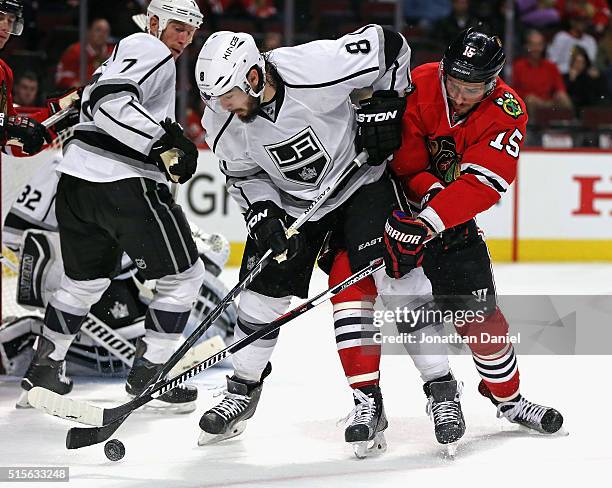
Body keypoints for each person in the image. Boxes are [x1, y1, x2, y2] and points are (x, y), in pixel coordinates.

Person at [195, 27, 464, 456]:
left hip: (361, 183)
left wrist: (387, 102)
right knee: (260, 295)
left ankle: (441, 388)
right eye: (214, 98)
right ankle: (243, 389)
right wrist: (261, 211)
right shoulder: (220, 116)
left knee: (398, 280)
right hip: (292, 204)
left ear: (252, 76)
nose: (220, 107)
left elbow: (390, 46)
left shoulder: (314, 67)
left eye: (227, 95)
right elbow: (243, 174)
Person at [16, 0, 206, 413]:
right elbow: (107, 100)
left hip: (76, 183)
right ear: (154, 22)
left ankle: (44, 370)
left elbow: (87, 100)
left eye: (190, 32)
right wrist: (163, 140)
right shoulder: (149, 48)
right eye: (177, 28)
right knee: (185, 278)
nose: (183, 39)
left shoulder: (122, 54)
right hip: (122, 185)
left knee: (82, 284)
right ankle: (150, 375)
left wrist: (45, 126)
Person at [382, 28, 564, 434]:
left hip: (448, 224)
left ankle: (510, 401)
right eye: (455, 83)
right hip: (395, 215)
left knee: (482, 321)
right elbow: (405, 161)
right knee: (403, 315)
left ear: (493, 82)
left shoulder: (507, 110)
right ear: (444, 70)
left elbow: (484, 184)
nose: (460, 96)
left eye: (473, 88)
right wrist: (427, 198)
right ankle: (398, 399)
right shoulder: (420, 83)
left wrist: (431, 219)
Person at [0, 0, 53, 155]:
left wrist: (60, 110)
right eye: (0, 18)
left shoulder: (4, 70)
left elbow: (12, 122)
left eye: (10, 21)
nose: (5, 27)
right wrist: (9, 123)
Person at [513, 29, 573, 113]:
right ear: (527, 46)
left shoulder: (551, 66)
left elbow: (560, 87)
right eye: (533, 45)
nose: (536, 48)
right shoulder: (518, 66)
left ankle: (568, 124)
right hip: (529, 102)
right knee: (530, 101)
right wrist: (526, 96)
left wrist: (560, 94)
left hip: (549, 102)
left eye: (539, 45)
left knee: (564, 99)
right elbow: (512, 89)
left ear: (543, 46)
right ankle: (532, 125)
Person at [55, 17, 114, 90]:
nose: (102, 34)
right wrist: (79, 87)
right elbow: (62, 78)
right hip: (80, 95)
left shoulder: (113, 52)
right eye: (98, 30)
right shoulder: (75, 51)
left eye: (106, 31)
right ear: (89, 32)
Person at [548, 10, 598, 75]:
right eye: (579, 20)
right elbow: (552, 61)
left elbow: (589, 63)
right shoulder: (561, 37)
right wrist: (569, 70)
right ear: (572, 21)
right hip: (562, 74)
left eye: (585, 20)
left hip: (582, 75)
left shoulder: (590, 40)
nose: (582, 23)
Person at [564, 45, 610, 113]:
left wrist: (597, 78)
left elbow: (600, 93)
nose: (579, 65)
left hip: (589, 105)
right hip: (574, 106)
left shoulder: (590, 76)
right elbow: (564, 94)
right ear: (572, 63)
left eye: (582, 62)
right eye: (577, 62)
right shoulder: (566, 77)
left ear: (586, 64)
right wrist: (571, 80)